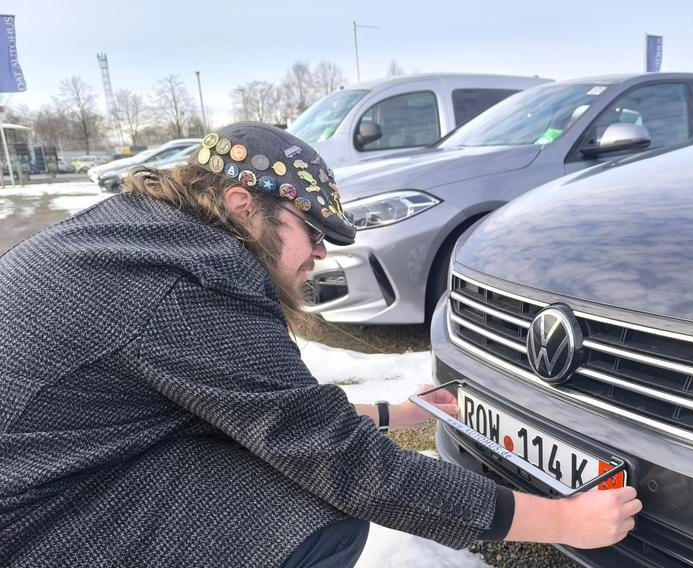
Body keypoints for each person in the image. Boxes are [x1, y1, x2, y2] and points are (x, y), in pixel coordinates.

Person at [0, 122, 641, 568]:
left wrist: (398, 412)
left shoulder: (140, 235)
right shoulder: (191, 287)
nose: (322, 252)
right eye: (310, 229)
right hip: (33, 526)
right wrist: (565, 523)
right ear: (241, 204)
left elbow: (254, 407)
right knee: (309, 512)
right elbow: (341, 463)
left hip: (48, 470)